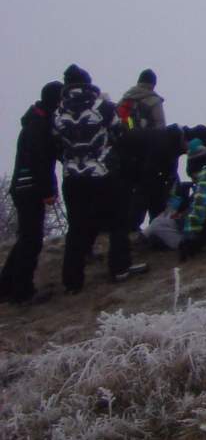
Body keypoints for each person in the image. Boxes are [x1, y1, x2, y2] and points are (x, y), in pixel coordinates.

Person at [53, 65, 146, 293]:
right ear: (87, 83)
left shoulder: (58, 112)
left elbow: (55, 143)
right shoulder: (102, 106)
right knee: (117, 220)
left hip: (72, 177)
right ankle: (119, 267)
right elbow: (119, 132)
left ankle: (72, 281)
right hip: (102, 172)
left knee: (77, 227)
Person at [3, 83, 63, 305]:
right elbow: (40, 162)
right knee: (32, 240)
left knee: (26, 238)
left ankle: (6, 285)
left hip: (23, 187)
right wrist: (48, 191)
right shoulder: (39, 125)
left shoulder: (35, 121)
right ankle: (22, 292)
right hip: (30, 188)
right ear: (56, 101)